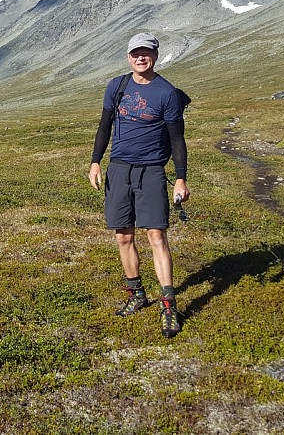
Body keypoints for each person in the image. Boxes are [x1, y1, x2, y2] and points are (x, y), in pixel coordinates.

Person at [88, 32, 189, 338]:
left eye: (146, 53)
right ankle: (136, 294)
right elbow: (105, 126)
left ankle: (168, 304)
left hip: (152, 171)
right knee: (122, 235)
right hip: (119, 169)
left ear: (155, 56)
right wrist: (95, 161)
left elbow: (176, 139)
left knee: (156, 235)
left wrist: (181, 177)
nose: (140, 58)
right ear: (128, 56)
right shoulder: (116, 85)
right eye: (136, 53)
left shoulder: (167, 93)